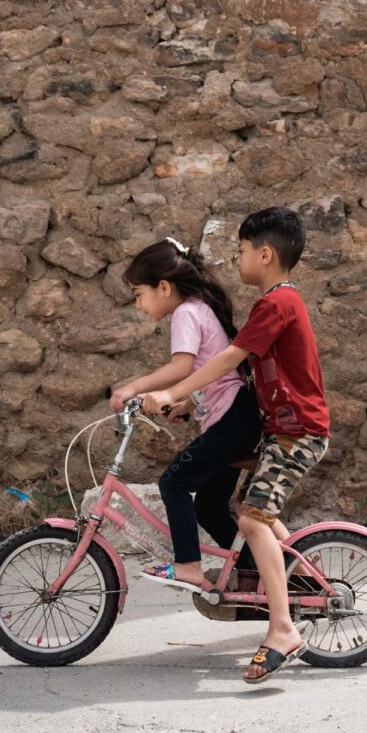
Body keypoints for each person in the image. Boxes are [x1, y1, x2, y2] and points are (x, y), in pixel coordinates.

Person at [140, 207, 330, 685]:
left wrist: (175, 391)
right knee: (246, 512)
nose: (237, 258)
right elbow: (243, 369)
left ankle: (283, 629)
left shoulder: (278, 304)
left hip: (297, 432)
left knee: (251, 517)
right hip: (281, 429)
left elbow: (229, 358)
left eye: (242, 251)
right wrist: (191, 405)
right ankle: (294, 580)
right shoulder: (272, 304)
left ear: (264, 254)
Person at [109, 237, 261, 590]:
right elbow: (215, 370)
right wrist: (188, 404)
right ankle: (256, 575)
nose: (138, 304)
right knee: (209, 506)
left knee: (174, 483)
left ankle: (188, 566)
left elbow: (183, 366)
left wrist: (134, 388)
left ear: (163, 287)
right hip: (237, 418)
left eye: (138, 294)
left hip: (233, 420)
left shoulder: (187, 312)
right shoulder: (198, 308)